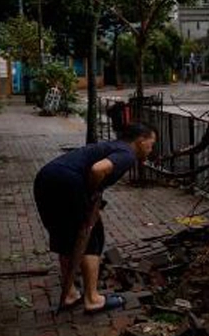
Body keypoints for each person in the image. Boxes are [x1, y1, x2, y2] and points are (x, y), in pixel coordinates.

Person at [33, 123, 157, 313]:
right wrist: (91, 194)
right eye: (151, 144)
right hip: (68, 183)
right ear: (140, 141)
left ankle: (70, 294)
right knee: (93, 236)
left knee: (65, 238)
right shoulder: (126, 153)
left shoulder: (111, 146)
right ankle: (92, 299)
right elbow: (98, 169)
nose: (151, 149)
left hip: (46, 178)